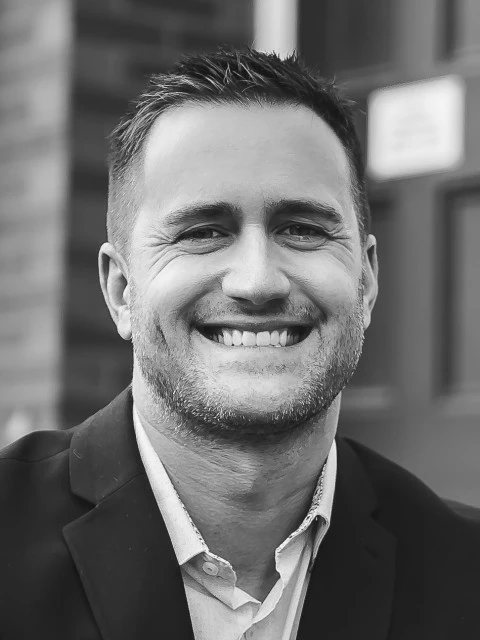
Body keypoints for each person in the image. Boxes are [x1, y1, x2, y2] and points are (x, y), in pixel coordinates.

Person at [1, 47, 479, 640]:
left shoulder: (467, 574)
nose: (257, 281)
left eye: (302, 229)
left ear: (367, 280)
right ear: (121, 290)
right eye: (204, 232)